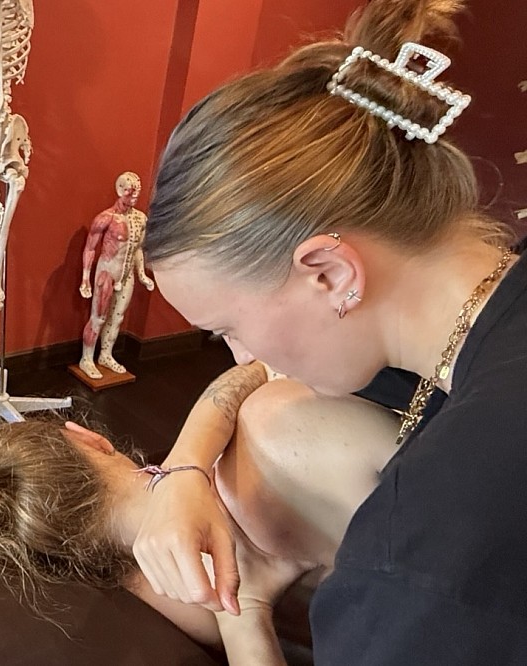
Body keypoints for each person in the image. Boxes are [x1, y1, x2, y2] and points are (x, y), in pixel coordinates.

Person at [134, 0, 527, 662]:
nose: (241, 355)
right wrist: (182, 469)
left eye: (228, 328)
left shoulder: (417, 562)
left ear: (329, 273)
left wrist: (243, 614)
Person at [0, 392, 400, 664]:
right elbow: (249, 373)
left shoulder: (156, 589)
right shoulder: (267, 425)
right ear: (90, 439)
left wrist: (245, 609)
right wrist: (189, 464)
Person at [78, 171, 156, 379]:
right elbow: (90, 248)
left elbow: (138, 249)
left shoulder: (140, 219)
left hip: (127, 275)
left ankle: (106, 355)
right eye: (131, 192)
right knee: (99, 318)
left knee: (117, 317)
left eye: (137, 193)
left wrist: (142, 274)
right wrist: (85, 278)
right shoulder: (105, 218)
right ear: (120, 190)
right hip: (107, 273)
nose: (134, 196)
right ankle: (86, 358)